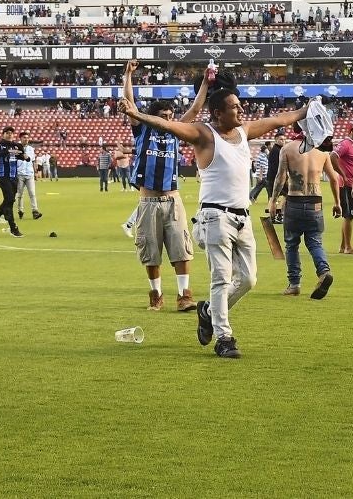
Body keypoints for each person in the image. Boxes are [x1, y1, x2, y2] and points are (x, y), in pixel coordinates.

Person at [119, 85, 310, 359]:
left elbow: (279, 120)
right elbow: (167, 124)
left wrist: (305, 110)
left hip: (242, 218)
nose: (241, 109)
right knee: (221, 279)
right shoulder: (204, 134)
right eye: (235, 106)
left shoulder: (244, 132)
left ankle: (208, 312)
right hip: (214, 216)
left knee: (248, 279)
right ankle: (224, 337)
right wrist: (137, 113)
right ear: (219, 113)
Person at [120, 59, 208, 312]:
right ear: (152, 117)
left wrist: (204, 82)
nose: (169, 120)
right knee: (151, 252)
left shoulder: (176, 131)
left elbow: (196, 108)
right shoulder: (142, 130)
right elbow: (130, 104)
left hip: (173, 199)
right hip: (148, 201)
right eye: (164, 117)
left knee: (181, 248)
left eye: (171, 117)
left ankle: (184, 295)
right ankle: (156, 294)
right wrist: (128, 75)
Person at [270, 128, 341, 298]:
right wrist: (338, 203)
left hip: (294, 201)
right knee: (315, 242)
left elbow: (280, 177)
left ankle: (294, 284)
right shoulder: (322, 151)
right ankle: (324, 272)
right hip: (315, 202)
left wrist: (273, 201)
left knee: (291, 244)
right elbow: (334, 178)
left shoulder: (287, 148)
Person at [331, 123, 353, 254]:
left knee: (348, 216)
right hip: (347, 185)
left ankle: (343, 246)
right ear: (350, 131)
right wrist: (343, 174)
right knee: (349, 215)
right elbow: (333, 156)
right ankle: (348, 247)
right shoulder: (345, 144)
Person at [0, 126, 25, 237]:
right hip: (3, 176)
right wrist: (8, 151)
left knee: (9, 201)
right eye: (7, 133)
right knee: (9, 199)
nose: (10, 135)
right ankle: (13, 227)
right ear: (3, 134)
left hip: (13, 177)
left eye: (11, 133)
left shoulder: (15, 145)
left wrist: (24, 156)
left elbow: (21, 155)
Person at [15, 131, 41, 219]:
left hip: (29, 173)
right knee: (20, 194)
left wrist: (36, 172)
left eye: (27, 138)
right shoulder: (16, 148)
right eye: (24, 138)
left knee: (32, 193)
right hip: (20, 174)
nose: (26, 139)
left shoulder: (31, 149)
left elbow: (33, 161)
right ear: (20, 138)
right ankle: (20, 210)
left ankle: (35, 211)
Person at [265, 129, 288, 223]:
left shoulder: (276, 150)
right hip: (275, 179)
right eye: (281, 139)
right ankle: (280, 216)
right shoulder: (277, 151)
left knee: (273, 198)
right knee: (287, 196)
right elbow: (279, 167)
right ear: (276, 140)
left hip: (272, 178)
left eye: (284, 139)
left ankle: (273, 217)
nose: (283, 141)